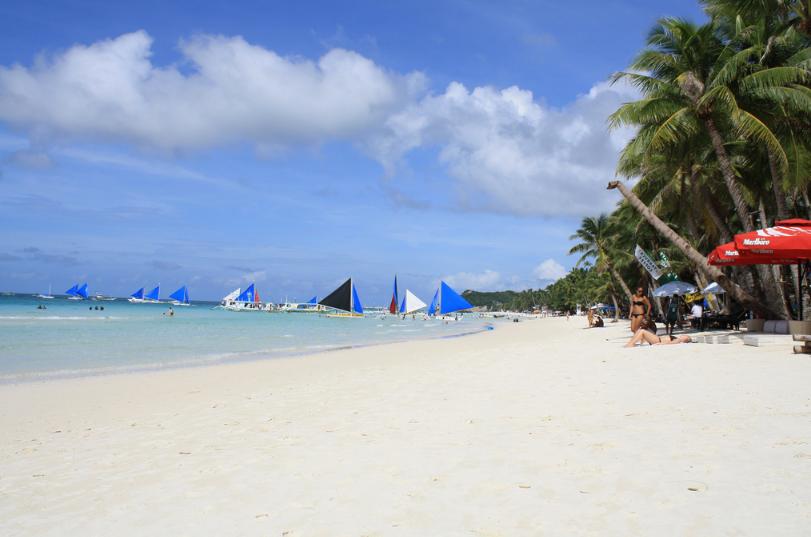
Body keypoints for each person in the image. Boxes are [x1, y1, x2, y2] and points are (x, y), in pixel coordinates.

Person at [625, 328, 691, 347]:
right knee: (640, 331)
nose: (683, 335)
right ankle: (630, 343)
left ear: (685, 340)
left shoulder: (678, 340)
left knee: (642, 331)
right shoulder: (677, 339)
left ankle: (630, 344)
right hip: (657, 339)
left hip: (658, 340)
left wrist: (660, 344)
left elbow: (670, 343)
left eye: (686, 336)